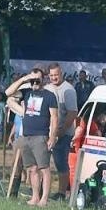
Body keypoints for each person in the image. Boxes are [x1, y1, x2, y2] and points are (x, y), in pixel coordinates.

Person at [7, 68, 56, 206]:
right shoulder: (26, 92)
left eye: (38, 79)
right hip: (26, 135)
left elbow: (54, 117)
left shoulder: (49, 96)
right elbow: (8, 93)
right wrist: (24, 79)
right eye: (33, 80)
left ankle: (44, 199)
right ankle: (34, 197)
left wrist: (52, 136)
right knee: (32, 169)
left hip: (41, 136)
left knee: (44, 168)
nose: (35, 82)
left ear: (43, 79)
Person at [43, 63, 77, 200]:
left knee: (60, 163)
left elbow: (72, 113)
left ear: (61, 73)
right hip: (47, 132)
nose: (53, 78)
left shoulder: (68, 90)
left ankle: (62, 192)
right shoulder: (46, 88)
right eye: (51, 75)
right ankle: (41, 189)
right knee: (43, 162)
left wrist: (60, 132)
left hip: (64, 133)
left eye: (56, 75)